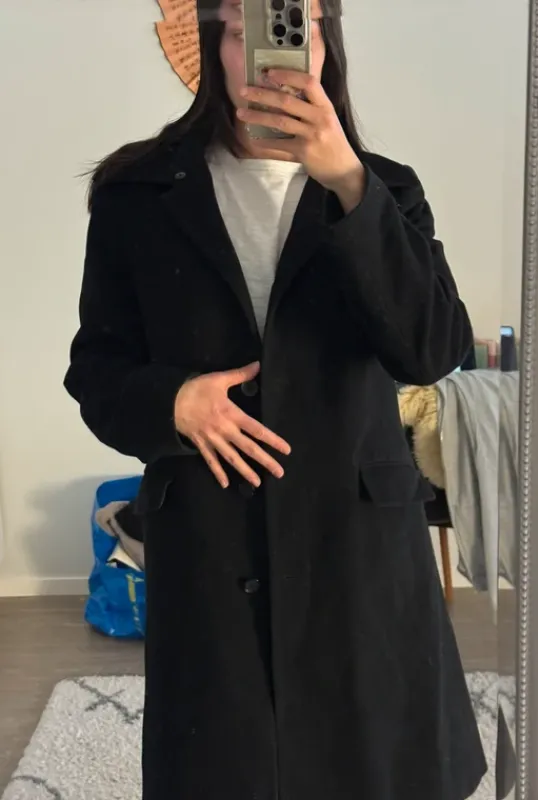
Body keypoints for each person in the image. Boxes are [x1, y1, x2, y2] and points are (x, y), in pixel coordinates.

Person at [64, 0, 487, 798]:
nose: (269, 45)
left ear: (327, 43)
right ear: (214, 46)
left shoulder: (384, 188)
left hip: (356, 552)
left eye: (300, 20)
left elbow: (432, 350)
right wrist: (172, 403)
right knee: (224, 772)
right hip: (210, 542)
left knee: (370, 770)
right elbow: (96, 370)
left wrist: (350, 185)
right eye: (241, 24)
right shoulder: (135, 194)